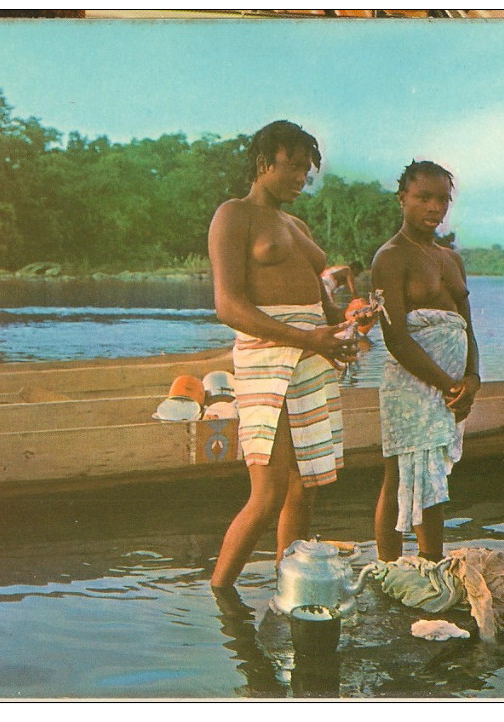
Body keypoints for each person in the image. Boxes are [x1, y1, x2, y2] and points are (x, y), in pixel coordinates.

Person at [208, 120, 357, 589]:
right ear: (263, 162)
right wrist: (309, 339)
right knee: (268, 493)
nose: (300, 178)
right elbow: (228, 305)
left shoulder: (297, 224)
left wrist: (344, 325)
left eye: (306, 170)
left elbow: (321, 301)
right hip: (267, 359)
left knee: (306, 486)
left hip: (313, 360)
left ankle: (290, 587)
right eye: (292, 166)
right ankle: (220, 593)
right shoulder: (234, 215)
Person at [370, 160, 480, 563]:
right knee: (401, 474)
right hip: (413, 383)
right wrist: (446, 383)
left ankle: (431, 567)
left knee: (434, 477)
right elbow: (396, 338)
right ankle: (389, 568)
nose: (434, 207)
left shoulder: (452, 260)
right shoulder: (391, 257)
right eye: (424, 198)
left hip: (450, 387)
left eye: (442, 200)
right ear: (403, 199)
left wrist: (472, 378)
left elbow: (466, 328)